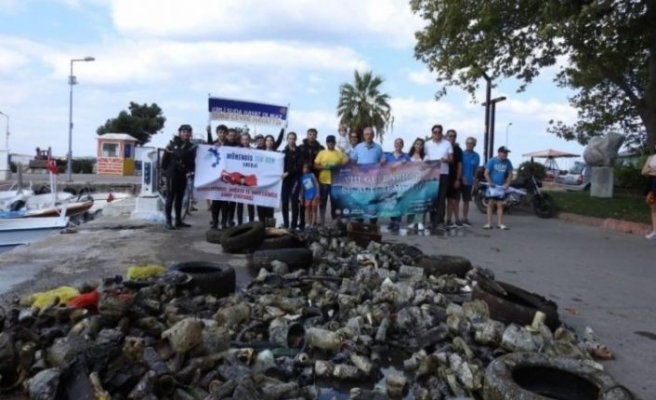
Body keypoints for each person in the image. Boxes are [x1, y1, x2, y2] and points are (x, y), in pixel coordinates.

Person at [160, 124, 196, 230]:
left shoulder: (191, 145)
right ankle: (168, 222)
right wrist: (166, 172)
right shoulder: (173, 144)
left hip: (183, 174)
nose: (186, 133)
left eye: (188, 132)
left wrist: (190, 170)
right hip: (172, 174)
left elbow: (191, 161)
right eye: (184, 131)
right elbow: (166, 160)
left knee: (180, 198)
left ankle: (178, 221)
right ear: (180, 133)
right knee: (170, 198)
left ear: (190, 133)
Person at [350, 126, 386, 224]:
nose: (369, 136)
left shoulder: (378, 147)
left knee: (373, 201)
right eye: (366, 134)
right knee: (361, 200)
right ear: (364, 136)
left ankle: (373, 223)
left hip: (374, 181)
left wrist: (383, 161)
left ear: (373, 135)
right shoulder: (358, 147)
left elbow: (383, 159)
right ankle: (360, 221)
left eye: (370, 134)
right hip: (361, 180)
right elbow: (352, 161)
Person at [314, 135, 348, 225]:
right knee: (322, 202)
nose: (331, 143)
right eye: (329, 142)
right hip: (323, 181)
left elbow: (346, 163)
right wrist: (323, 167)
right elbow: (315, 165)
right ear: (326, 143)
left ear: (335, 142)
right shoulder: (322, 153)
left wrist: (340, 165)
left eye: (332, 142)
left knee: (335, 203)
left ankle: (335, 222)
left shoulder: (340, 153)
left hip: (336, 182)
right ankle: (322, 222)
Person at [424, 124, 453, 230]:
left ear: (442, 133)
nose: (437, 134)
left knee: (441, 198)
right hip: (431, 174)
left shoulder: (447, 143)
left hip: (444, 173)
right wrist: (426, 160)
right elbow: (425, 156)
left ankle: (440, 221)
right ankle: (432, 220)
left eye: (439, 132)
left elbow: (451, 159)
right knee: (432, 197)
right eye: (435, 132)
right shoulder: (427, 144)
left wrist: (446, 160)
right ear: (432, 133)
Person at [298, 128, 325, 229]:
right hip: (304, 176)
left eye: (314, 134)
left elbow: (324, 160)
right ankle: (303, 222)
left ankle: (314, 222)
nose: (312, 136)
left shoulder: (321, 148)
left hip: (316, 176)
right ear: (307, 135)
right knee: (304, 202)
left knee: (315, 201)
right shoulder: (301, 147)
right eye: (310, 134)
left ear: (316, 136)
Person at [484, 146, 513, 230]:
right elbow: (486, 173)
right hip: (492, 186)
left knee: (500, 204)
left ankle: (500, 223)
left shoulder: (507, 162)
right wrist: (490, 182)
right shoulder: (492, 161)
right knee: (490, 204)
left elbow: (510, 173)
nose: (505, 154)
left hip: (501, 187)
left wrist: (507, 183)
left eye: (506, 153)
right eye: (504, 153)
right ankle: (489, 223)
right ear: (499, 152)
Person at [385, 138, 410, 231]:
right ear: (394, 144)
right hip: (390, 182)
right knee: (391, 202)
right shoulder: (388, 156)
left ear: (402, 145)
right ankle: (392, 220)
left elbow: (412, 169)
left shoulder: (406, 157)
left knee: (399, 201)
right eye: (396, 143)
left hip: (401, 182)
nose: (398, 145)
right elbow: (384, 168)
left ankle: (397, 222)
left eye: (400, 143)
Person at [281, 132, 303, 229]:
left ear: (295, 140)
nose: (292, 140)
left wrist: (288, 172)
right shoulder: (283, 152)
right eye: (290, 138)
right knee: (284, 202)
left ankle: (293, 225)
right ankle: (286, 224)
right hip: (285, 181)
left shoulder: (299, 151)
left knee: (294, 202)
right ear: (287, 139)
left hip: (295, 180)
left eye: (293, 138)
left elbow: (299, 166)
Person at [256, 134, 278, 225]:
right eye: (267, 140)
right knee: (260, 205)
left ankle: (270, 226)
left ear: (273, 142)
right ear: (265, 142)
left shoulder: (278, 154)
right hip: (261, 183)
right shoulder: (259, 153)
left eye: (271, 140)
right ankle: (261, 225)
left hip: (272, 183)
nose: (269, 142)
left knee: (270, 205)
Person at [460, 136, 480, 227]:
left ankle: (464, 218)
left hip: (469, 181)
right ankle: (455, 219)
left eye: (471, 143)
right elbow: (458, 167)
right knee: (455, 200)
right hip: (460, 179)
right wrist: (461, 177)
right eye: (467, 143)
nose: (469, 145)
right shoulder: (461, 154)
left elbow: (476, 169)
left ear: (474, 145)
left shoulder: (476, 156)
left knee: (466, 201)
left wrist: (475, 179)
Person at [406, 138, 426, 231]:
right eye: (417, 144)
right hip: (410, 182)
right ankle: (411, 222)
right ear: (414, 145)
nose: (419, 146)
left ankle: (420, 222)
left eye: (421, 144)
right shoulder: (408, 156)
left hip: (422, 181)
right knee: (411, 202)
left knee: (421, 202)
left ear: (422, 146)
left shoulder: (425, 156)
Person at [445, 129, 463, 228]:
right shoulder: (443, 147)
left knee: (454, 200)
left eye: (453, 136)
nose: (451, 138)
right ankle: (448, 219)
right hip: (443, 177)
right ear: (446, 136)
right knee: (446, 200)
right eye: (450, 136)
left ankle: (456, 218)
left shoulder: (457, 149)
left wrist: (458, 179)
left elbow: (460, 165)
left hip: (454, 177)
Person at [641, 147, 656, 239]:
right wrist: (652, 170)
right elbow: (643, 171)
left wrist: (651, 169)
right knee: (653, 207)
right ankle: (655, 231)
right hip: (652, 182)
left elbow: (649, 170)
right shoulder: (651, 158)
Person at [299, 162, 320, 227]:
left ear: (308, 169)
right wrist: (301, 198)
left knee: (314, 209)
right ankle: (309, 222)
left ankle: (313, 223)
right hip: (307, 196)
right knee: (308, 210)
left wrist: (318, 193)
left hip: (314, 195)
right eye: (303, 168)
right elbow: (302, 188)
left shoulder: (312, 175)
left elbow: (316, 184)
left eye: (305, 168)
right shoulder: (302, 177)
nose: (304, 169)